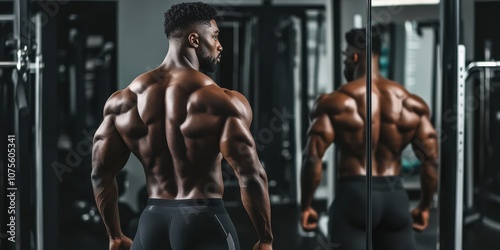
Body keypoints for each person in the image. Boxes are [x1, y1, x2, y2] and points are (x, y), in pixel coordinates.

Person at [91, 2, 273, 250]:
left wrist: (115, 235)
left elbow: (100, 174)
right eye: (215, 36)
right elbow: (251, 176)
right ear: (194, 40)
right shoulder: (225, 101)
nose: (220, 45)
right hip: (205, 222)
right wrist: (265, 239)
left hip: (151, 224)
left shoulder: (123, 101)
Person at [300, 27, 439, 250]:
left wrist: (306, 205)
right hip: (395, 198)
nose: (345, 61)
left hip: (354, 197)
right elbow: (432, 160)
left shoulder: (335, 102)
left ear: (354, 56)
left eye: (346, 55)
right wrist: (424, 206)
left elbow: (312, 158)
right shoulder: (411, 102)